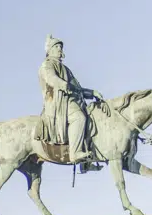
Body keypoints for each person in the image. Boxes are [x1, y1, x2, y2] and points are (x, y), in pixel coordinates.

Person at [39, 34, 104, 169]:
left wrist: (91, 93)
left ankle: (86, 163)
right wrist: (64, 85)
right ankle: (75, 153)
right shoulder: (47, 65)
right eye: (56, 46)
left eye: (60, 47)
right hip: (58, 103)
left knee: (91, 119)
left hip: (70, 100)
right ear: (49, 50)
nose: (59, 49)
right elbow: (51, 79)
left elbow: (77, 88)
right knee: (79, 117)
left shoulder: (65, 69)